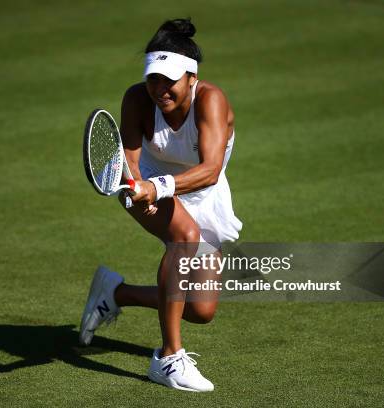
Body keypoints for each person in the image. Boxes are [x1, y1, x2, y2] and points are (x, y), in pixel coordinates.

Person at [79, 18, 242, 392]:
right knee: (183, 237)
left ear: (191, 78)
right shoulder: (137, 98)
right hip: (145, 181)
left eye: (169, 80)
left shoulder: (211, 100)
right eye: (154, 78)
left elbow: (211, 170)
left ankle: (115, 293)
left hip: (196, 188)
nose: (160, 88)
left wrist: (160, 188)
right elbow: (130, 161)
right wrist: (138, 187)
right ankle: (169, 358)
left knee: (202, 310)